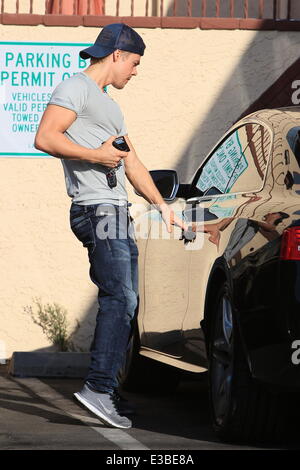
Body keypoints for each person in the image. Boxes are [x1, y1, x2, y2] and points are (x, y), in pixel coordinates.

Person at [35, 23, 186, 429]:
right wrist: (95, 157)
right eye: (135, 63)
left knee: (127, 299)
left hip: (116, 210)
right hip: (96, 209)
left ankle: (107, 390)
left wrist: (163, 207)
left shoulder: (108, 105)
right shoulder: (76, 88)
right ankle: (98, 389)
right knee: (120, 297)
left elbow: (131, 161)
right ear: (117, 54)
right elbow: (46, 138)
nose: (135, 72)